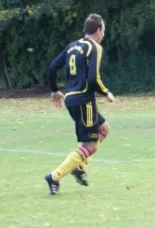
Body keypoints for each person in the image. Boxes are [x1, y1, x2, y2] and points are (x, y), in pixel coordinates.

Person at [44, 13, 116, 195]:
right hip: (85, 100)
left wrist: (55, 91)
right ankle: (55, 176)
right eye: (104, 31)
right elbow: (93, 78)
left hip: (71, 98)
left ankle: (80, 166)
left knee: (104, 129)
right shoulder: (94, 47)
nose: (104, 35)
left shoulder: (72, 46)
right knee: (90, 145)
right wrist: (106, 92)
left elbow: (52, 68)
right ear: (98, 30)